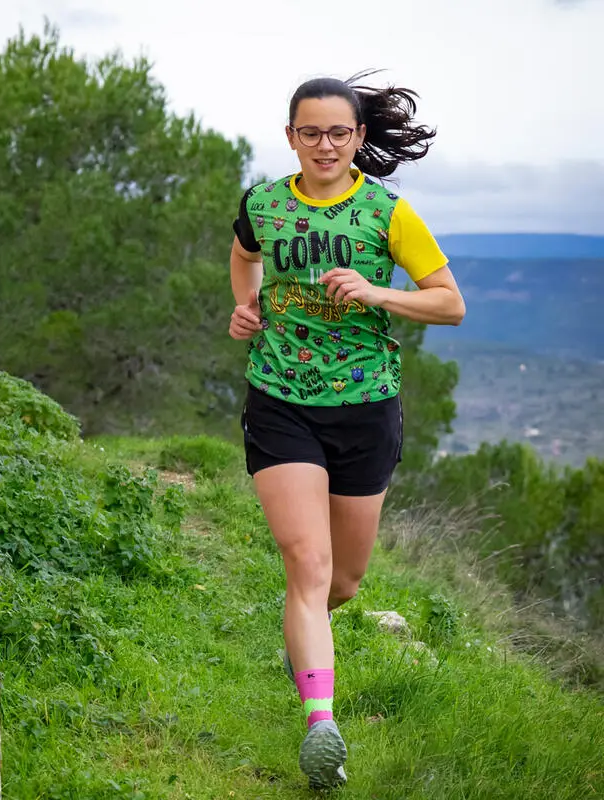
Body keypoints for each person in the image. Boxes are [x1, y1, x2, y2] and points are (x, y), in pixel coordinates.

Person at [229, 72, 465, 790]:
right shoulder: (264, 204)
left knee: (343, 581)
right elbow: (244, 255)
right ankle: (320, 725)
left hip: (366, 408)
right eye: (310, 132)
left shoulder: (387, 213)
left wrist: (377, 292)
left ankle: (305, 637)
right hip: (282, 400)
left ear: (359, 137)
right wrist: (247, 307)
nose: (324, 145)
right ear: (291, 136)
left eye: (338, 132)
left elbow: (450, 304)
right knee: (308, 564)